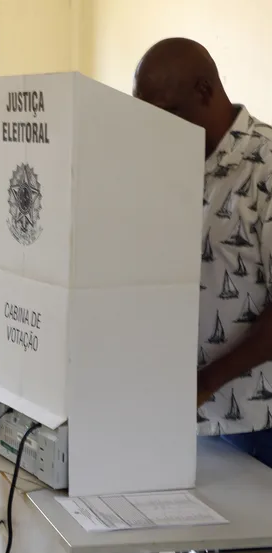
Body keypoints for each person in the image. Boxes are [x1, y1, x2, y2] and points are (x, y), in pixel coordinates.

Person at [133, 38, 272, 463]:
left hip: (255, 424)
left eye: (166, 114)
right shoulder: (171, 165)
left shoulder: (265, 167)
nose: (154, 129)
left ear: (205, 92)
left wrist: (205, 383)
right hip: (182, 417)